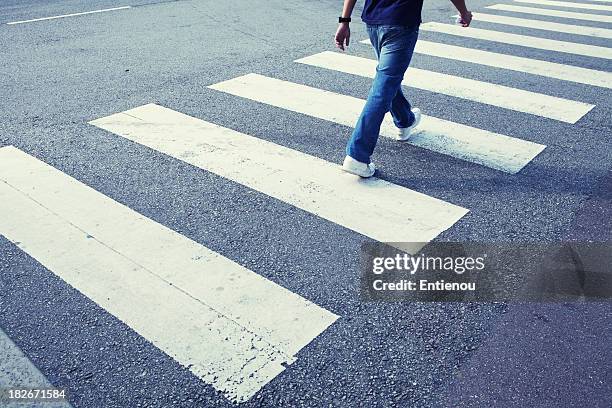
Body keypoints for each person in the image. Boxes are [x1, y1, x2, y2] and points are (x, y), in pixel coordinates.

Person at [335, 0, 472, 177]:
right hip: (401, 23)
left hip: (374, 22)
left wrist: (344, 21)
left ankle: (405, 120)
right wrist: (464, 13)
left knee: (387, 81)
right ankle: (357, 155)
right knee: (383, 88)